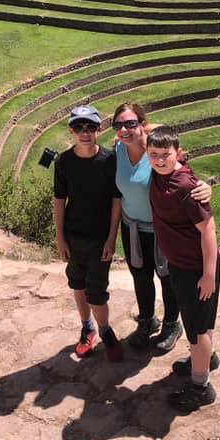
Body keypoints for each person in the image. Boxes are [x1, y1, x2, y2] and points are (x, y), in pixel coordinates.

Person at [112, 102, 211, 352]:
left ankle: (171, 324)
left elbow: (183, 172)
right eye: (119, 125)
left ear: (142, 125)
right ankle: (146, 321)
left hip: (160, 229)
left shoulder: (156, 150)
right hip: (131, 226)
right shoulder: (118, 150)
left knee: (167, 279)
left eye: (131, 124)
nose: (125, 129)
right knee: (140, 277)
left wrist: (204, 187)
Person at [147, 125, 220, 412]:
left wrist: (208, 274)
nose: (159, 160)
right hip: (181, 264)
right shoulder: (159, 170)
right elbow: (146, 131)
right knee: (201, 322)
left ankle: (200, 387)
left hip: (196, 268)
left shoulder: (188, 189)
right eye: (154, 155)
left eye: (165, 155)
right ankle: (206, 359)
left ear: (177, 153)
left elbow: (209, 229)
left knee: (196, 329)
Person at [54, 105, 125, 362]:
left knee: (97, 290)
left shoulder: (109, 161)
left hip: (99, 239)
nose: (85, 132)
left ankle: (105, 330)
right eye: (79, 127)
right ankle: (87, 327)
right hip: (74, 236)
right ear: (71, 131)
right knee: (77, 284)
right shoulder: (64, 162)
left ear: (99, 129)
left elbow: (116, 201)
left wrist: (111, 238)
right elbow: (60, 200)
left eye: (91, 127)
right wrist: (60, 237)